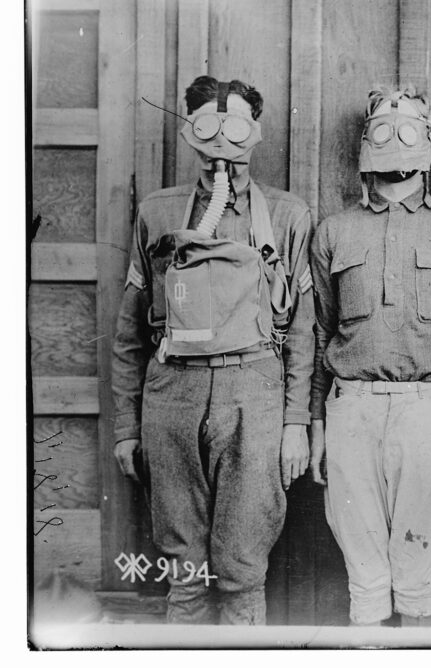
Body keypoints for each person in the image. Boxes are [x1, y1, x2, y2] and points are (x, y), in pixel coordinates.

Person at [111, 75, 315, 625]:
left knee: (242, 567)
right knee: (185, 571)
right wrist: (127, 426)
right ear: (190, 132)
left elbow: (302, 329)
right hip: (172, 395)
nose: (221, 146)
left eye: (235, 127)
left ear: (255, 133)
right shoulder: (158, 213)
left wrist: (296, 422)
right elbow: (130, 332)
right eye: (207, 126)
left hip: (255, 392)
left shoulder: (289, 216)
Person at [308, 88, 431, 627]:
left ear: (428, 141)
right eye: (382, 130)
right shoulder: (335, 231)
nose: (394, 141)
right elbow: (319, 334)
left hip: (429, 410)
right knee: (364, 579)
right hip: (352, 411)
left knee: (416, 577)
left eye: (407, 129)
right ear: (365, 143)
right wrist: (316, 423)